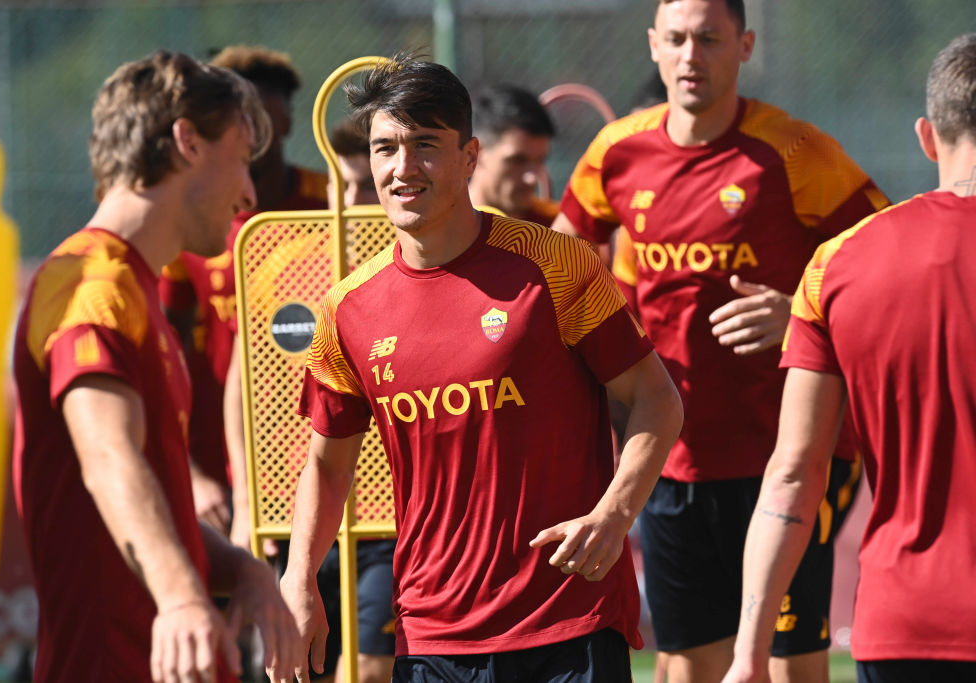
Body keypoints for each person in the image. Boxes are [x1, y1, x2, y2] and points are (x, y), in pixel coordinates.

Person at [279, 54, 684, 683]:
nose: (402, 168)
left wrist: (613, 516)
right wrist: (299, 578)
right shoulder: (348, 308)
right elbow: (327, 468)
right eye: (385, 148)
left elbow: (657, 400)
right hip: (432, 634)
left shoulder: (557, 265)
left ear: (470, 157)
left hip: (565, 620)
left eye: (425, 145)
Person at [551, 1, 889, 681]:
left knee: (791, 664)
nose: (690, 55)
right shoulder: (615, 151)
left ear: (745, 45)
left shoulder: (794, 150)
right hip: (671, 456)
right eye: (675, 39)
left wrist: (798, 311)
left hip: (787, 459)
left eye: (709, 39)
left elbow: (887, 261)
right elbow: (561, 266)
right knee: (686, 664)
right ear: (653, 46)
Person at [11, 50, 297, 682]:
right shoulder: (90, 282)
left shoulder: (133, 286)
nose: (249, 192)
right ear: (186, 141)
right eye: (241, 160)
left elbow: (158, 500)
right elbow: (107, 457)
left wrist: (242, 568)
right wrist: (181, 597)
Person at [723, 33, 976, 683]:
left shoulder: (840, 262)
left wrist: (751, 650)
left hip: (905, 628)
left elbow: (793, 472)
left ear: (927, 136)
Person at [157, 45, 329, 550]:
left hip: (321, 449)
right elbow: (167, 352)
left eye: (266, 126)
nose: (255, 145)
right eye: (242, 131)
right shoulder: (192, 224)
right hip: (222, 463)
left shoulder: (332, 203)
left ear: (288, 122)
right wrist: (189, 470)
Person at [313, 118, 396, 683]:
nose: (351, 202)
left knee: (367, 669)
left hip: (395, 517)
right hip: (317, 511)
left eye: (364, 185)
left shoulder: (420, 265)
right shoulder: (285, 259)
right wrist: (249, 495)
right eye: (340, 185)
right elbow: (247, 376)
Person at [468, 83, 559, 224]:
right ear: (475, 154)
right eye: (518, 160)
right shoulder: (436, 228)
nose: (532, 178)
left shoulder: (558, 229)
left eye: (540, 161)